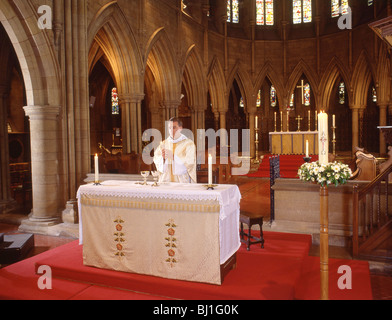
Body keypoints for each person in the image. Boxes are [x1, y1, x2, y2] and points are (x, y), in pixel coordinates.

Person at [153, 117, 197, 183]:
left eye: (174, 127)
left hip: (182, 182)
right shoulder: (164, 143)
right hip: (166, 182)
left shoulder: (188, 144)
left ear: (180, 128)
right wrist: (163, 159)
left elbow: (190, 163)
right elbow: (156, 158)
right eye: (169, 128)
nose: (171, 130)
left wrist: (173, 157)